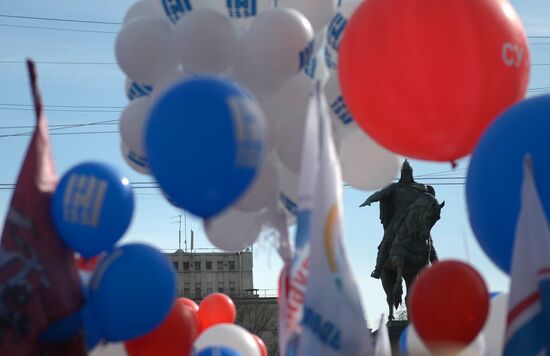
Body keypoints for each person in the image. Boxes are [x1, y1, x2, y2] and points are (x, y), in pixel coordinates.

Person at [359, 160, 436, 279]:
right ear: (401, 174)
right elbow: (381, 194)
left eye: (408, 173)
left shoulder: (422, 188)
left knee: (428, 240)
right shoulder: (395, 187)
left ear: (411, 173)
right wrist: (370, 199)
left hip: (416, 220)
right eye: (404, 173)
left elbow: (430, 202)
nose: (406, 175)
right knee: (387, 240)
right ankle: (378, 268)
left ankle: (436, 266)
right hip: (398, 218)